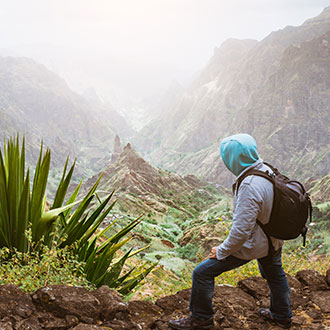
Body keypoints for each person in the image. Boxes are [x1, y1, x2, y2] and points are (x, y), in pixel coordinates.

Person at [169, 133, 292, 330]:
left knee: (201, 273)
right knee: (275, 274)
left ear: (232, 159)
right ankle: (282, 315)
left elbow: (241, 232)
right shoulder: (266, 169)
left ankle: (201, 318)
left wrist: (222, 250)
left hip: (255, 244)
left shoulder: (249, 186)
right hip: (273, 239)